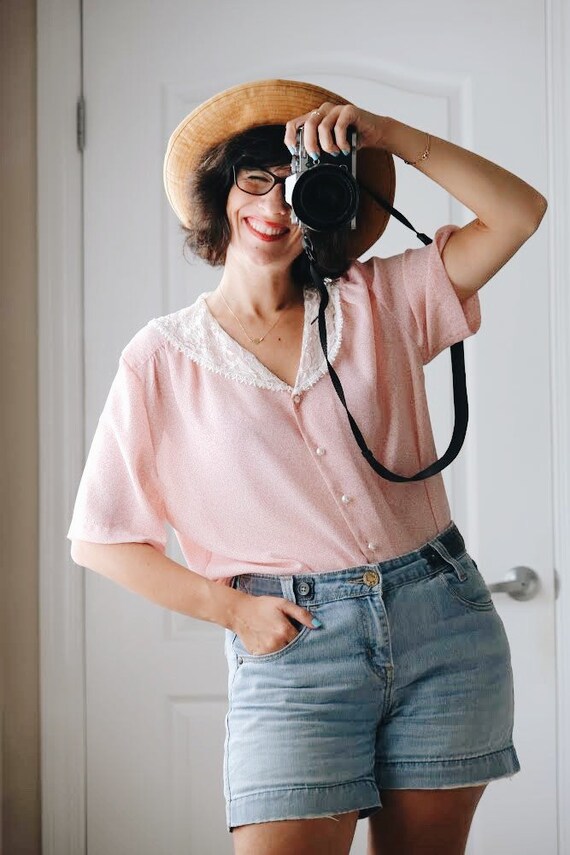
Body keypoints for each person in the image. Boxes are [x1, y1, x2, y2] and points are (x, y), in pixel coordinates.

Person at [68, 78, 547, 855]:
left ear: (331, 203)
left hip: (444, 629)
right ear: (223, 193)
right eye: (257, 178)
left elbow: (521, 212)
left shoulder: (384, 300)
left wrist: (386, 133)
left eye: (298, 185)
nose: (275, 204)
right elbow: (100, 540)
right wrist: (230, 611)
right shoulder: (161, 359)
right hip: (295, 648)